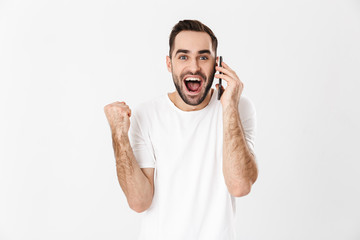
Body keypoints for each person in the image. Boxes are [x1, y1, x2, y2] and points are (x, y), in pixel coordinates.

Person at [104, 19, 258, 240]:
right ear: (169, 64)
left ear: (218, 64)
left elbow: (240, 186)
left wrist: (229, 106)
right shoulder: (147, 114)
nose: (194, 67)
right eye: (183, 56)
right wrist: (119, 135)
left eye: (203, 57)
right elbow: (139, 202)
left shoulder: (239, 107)